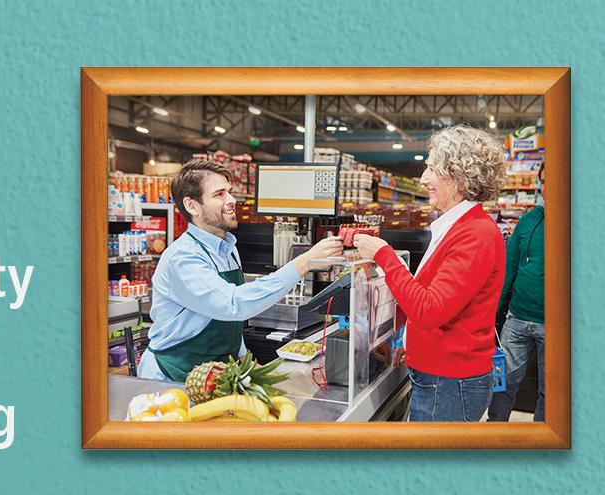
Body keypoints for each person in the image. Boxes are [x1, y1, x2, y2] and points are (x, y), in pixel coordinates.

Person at [137, 158, 343, 381]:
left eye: (230, 192)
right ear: (192, 206)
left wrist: (244, 358)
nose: (231, 200)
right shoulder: (184, 257)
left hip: (214, 373)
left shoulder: (228, 248)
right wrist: (304, 263)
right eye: (219, 194)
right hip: (173, 374)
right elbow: (233, 304)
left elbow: (229, 321)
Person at [353, 124, 506, 421]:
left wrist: (383, 255)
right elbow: (431, 296)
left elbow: (430, 309)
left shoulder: (476, 234)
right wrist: (400, 337)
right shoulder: (459, 227)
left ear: (459, 176)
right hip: (441, 377)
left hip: (450, 383)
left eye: (432, 169)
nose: (423, 179)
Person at [487, 164, 545, 422]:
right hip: (517, 320)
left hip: (556, 325)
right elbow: (508, 270)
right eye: (545, 180)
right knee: (502, 383)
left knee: (551, 392)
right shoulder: (527, 221)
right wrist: (492, 314)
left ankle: (544, 441)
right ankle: (494, 431)